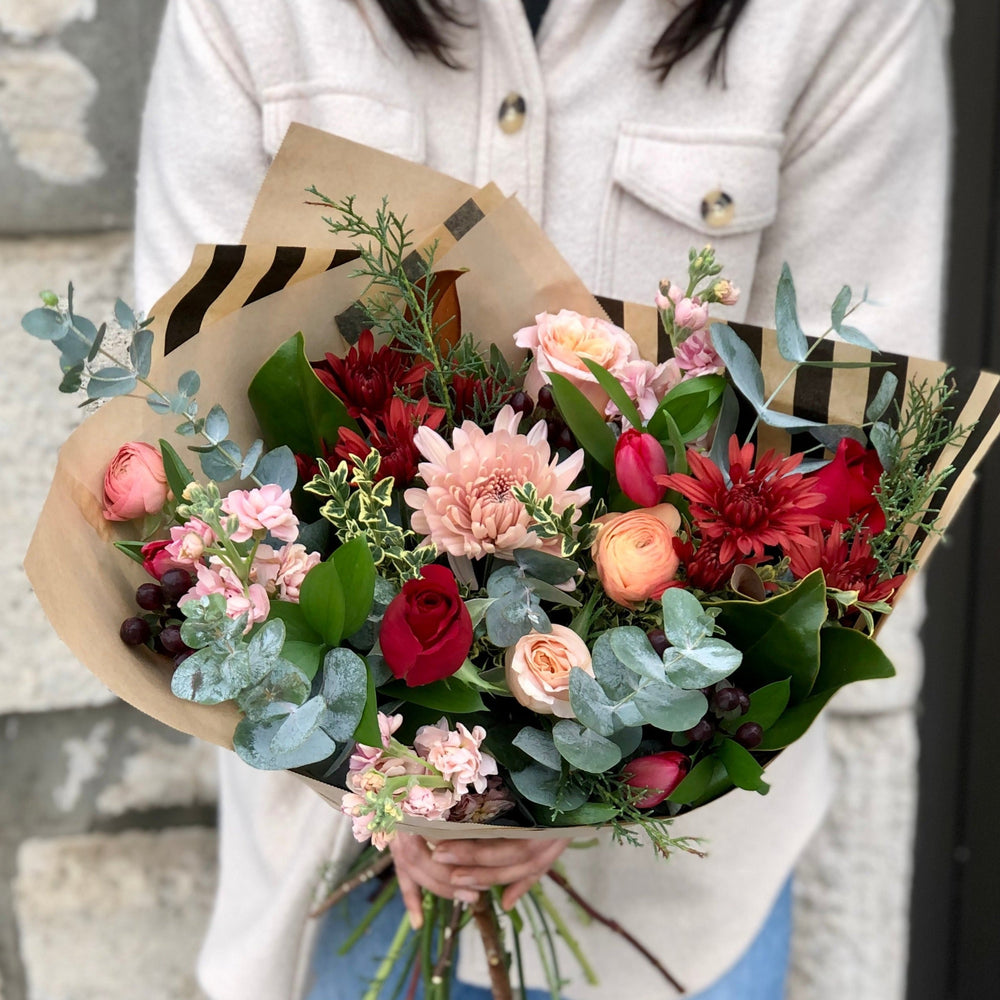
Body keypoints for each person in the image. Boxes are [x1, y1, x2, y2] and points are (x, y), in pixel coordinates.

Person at [134, 1, 951, 997]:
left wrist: (571, 785)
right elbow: (185, 411)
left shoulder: (831, 17)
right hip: (337, 865)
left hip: (675, 920)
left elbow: (858, 443)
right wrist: (401, 776)